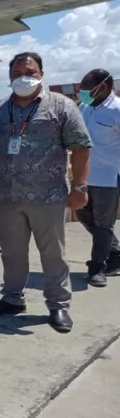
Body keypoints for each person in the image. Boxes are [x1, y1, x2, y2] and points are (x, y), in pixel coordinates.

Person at [0, 52, 92, 333]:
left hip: (49, 197)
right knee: (11, 252)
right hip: (8, 196)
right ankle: (12, 298)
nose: (23, 77)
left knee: (53, 253)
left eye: (29, 71)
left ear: (41, 73)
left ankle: (58, 305)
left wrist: (80, 186)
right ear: (9, 77)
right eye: (17, 73)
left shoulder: (61, 107)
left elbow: (81, 147)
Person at [75, 69, 120, 286]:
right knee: (82, 213)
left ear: (102, 87)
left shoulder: (117, 110)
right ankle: (115, 253)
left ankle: (97, 268)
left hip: (109, 177)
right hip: (85, 175)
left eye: (86, 89)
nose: (82, 93)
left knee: (104, 223)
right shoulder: (85, 107)